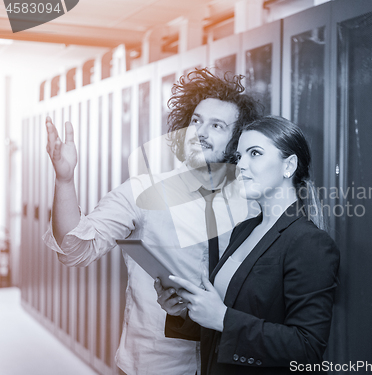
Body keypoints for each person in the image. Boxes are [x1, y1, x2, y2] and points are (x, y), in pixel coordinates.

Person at [42, 69, 261, 375]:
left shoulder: (251, 205)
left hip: (227, 364)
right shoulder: (143, 191)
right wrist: (64, 180)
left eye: (217, 126)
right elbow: (74, 251)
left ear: (238, 139)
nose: (200, 132)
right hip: (153, 365)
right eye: (196, 121)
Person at [156, 116, 340, 374]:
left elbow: (307, 348)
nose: (240, 165)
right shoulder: (244, 230)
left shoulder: (309, 242)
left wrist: (223, 318)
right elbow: (223, 326)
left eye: (255, 153)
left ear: (289, 166)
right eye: (240, 156)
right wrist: (183, 312)